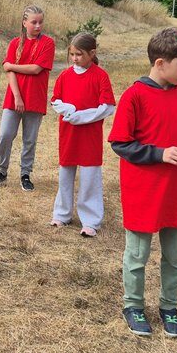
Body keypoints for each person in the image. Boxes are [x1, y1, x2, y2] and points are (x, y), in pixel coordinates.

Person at [109, 27, 177, 338]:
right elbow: (121, 143)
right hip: (144, 189)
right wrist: (159, 153)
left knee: (175, 256)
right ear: (161, 63)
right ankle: (133, 305)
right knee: (137, 255)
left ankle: (169, 306)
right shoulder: (135, 95)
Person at [50, 33, 115, 237]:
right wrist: (67, 109)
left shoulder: (100, 76)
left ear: (92, 53)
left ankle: (91, 220)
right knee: (65, 174)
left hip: (90, 135)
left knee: (89, 177)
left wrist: (82, 116)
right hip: (68, 133)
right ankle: (62, 214)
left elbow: (107, 107)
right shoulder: (65, 76)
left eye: (79, 54)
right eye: (72, 54)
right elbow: (55, 100)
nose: (75, 58)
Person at [0, 5, 55, 192]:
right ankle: (1, 172)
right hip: (14, 97)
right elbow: (10, 74)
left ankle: (25, 174)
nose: (38, 26)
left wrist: (11, 66)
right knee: (5, 135)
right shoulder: (15, 43)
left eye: (40, 22)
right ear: (24, 23)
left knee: (29, 139)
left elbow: (36, 68)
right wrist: (17, 97)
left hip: (35, 97)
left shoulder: (48, 43)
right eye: (34, 22)